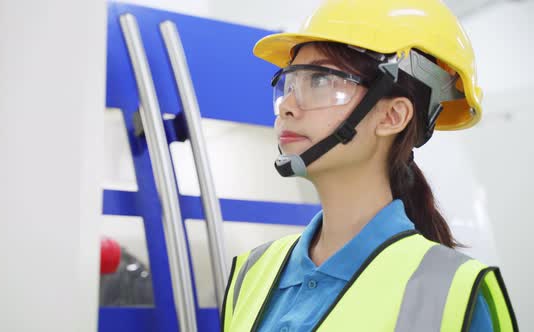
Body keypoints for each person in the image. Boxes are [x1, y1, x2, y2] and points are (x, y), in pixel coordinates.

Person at [221, 0, 518, 331]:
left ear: (392, 116)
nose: (288, 106)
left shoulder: (451, 292)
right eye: (289, 83)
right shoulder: (253, 273)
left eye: (320, 81)